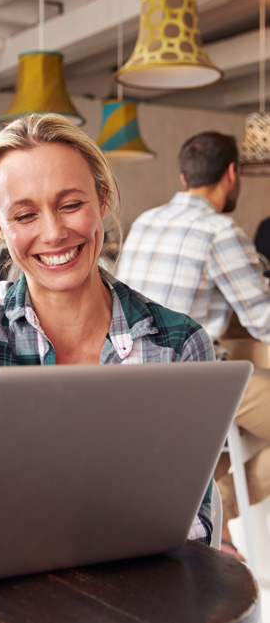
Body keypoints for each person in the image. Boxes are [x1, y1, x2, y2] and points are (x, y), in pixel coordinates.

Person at [0, 113, 216, 545]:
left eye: (70, 205)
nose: (54, 233)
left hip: (137, 584)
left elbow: (194, 522)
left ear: (101, 201)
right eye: (25, 215)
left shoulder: (177, 343)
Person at [116, 131, 270, 557]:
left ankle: (206, 515)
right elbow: (263, 319)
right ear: (232, 174)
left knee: (218, 440)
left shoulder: (146, 220)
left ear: (183, 176)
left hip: (127, 379)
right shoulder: (220, 230)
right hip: (193, 380)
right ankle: (213, 516)